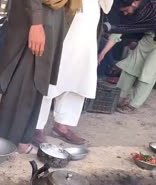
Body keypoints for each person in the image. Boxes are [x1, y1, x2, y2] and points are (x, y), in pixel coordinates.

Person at [0, 0, 81, 154]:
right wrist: (36, 23)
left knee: (38, 81)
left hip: (51, 16)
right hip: (36, 15)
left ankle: (23, 141)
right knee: (23, 79)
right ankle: (8, 144)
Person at [34, 0, 114, 146]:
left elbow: (106, 6)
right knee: (52, 76)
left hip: (88, 28)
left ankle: (61, 126)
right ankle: (36, 126)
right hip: (64, 21)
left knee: (77, 78)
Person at [99, 0, 156, 113]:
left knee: (148, 72)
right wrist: (102, 53)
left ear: (135, 3)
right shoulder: (136, 12)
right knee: (130, 67)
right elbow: (120, 30)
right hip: (149, 37)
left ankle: (133, 104)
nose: (125, 13)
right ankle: (119, 97)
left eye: (125, 10)